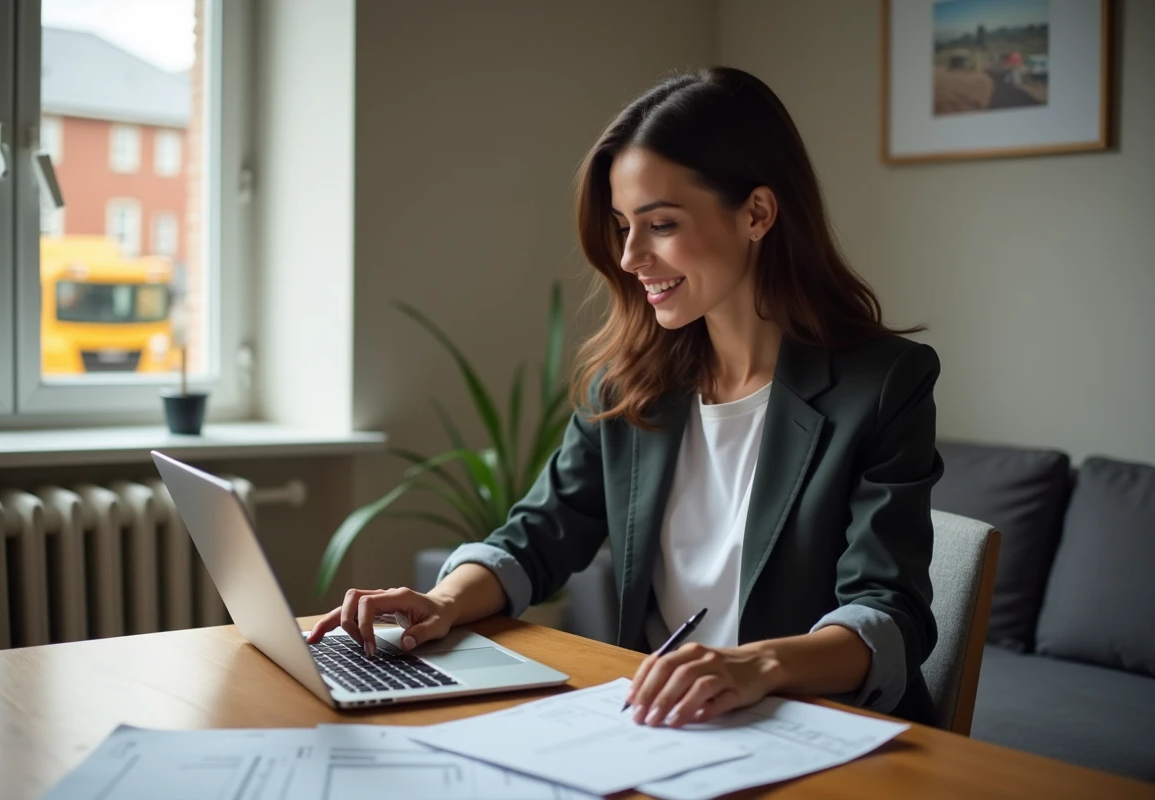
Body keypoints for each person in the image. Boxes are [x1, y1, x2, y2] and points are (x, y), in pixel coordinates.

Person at [308, 66, 943, 727]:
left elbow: (888, 613)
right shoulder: (629, 383)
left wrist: (755, 665)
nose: (630, 256)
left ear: (757, 213)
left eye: (660, 224)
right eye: (621, 226)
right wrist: (443, 601)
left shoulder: (883, 383)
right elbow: (536, 538)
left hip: (816, 730)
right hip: (665, 727)